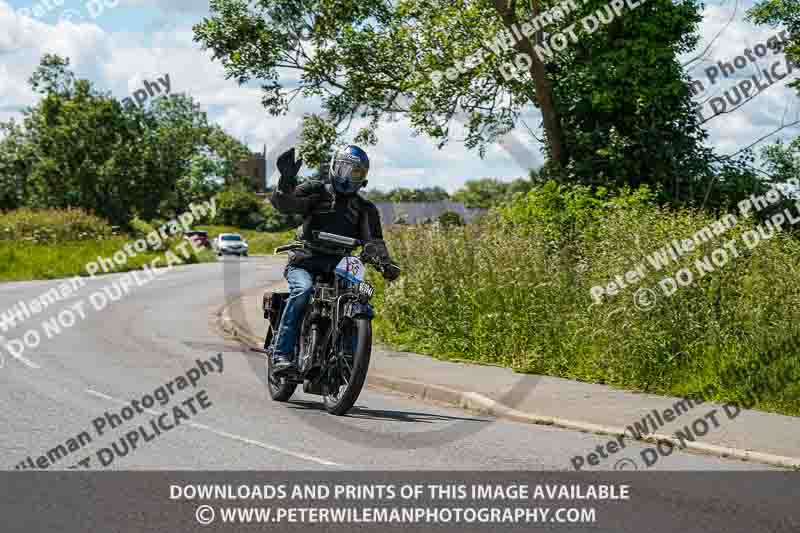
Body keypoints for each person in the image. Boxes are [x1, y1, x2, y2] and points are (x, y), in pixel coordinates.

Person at [269, 145, 400, 373]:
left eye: (355, 172)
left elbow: (374, 241)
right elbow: (286, 204)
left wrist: (384, 263)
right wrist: (286, 180)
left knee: (356, 298)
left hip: (340, 266)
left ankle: (345, 359)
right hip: (305, 260)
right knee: (303, 290)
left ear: (363, 178)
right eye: (344, 169)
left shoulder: (365, 209)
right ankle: (282, 354)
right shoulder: (316, 190)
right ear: (333, 167)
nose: (348, 177)